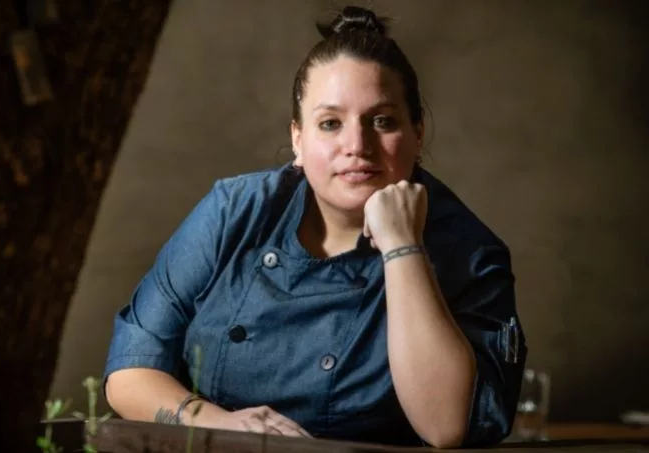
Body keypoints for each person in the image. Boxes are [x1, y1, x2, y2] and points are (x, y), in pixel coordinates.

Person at [102, 5, 527, 448]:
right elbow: (130, 371)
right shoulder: (234, 212)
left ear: (417, 133)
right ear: (298, 140)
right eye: (330, 124)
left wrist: (403, 245)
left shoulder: (469, 252)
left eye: (382, 121)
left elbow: (446, 426)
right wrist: (219, 424)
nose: (357, 145)